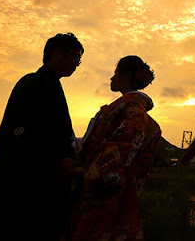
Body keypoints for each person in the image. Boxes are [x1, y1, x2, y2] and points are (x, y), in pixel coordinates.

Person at [0, 33, 84, 240]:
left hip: (36, 185)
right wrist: (57, 163)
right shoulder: (33, 83)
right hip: (27, 189)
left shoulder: (48, 84)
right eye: (75, 56)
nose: (77, 63)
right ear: (57, 53)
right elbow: (22, 137)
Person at [69, 55, 161, 241]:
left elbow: (118, 157)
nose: (112, 78)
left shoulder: (133, 111)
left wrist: (80, 171)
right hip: (110, 196)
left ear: (127, 75)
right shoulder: (131, 109)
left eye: (116, 73)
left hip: (106, 199)